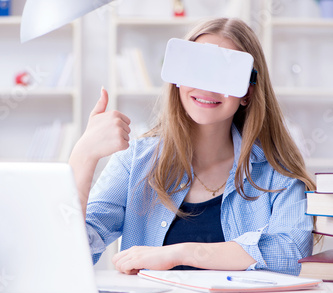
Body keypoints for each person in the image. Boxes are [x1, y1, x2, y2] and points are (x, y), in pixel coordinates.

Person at [69, 17, 315, 276]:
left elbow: (291, 254)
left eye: (225, 73)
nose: (208, 85)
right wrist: (83, 157)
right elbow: (69, 254)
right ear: (177, 77)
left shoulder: (277, 172)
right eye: (196, 68)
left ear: (248, 92)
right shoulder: (136, 163)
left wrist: (180, 253)